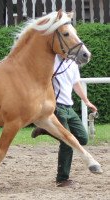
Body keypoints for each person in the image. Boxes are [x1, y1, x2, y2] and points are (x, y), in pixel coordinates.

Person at [31, 55, 97, 187]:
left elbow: (76, 83)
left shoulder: (72, 64)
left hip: (69, 108)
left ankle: (46, 129)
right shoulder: (51, 60)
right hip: (56, 107)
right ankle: (62, 179)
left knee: (83, 138)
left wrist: (87, 101)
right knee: (67, 143)